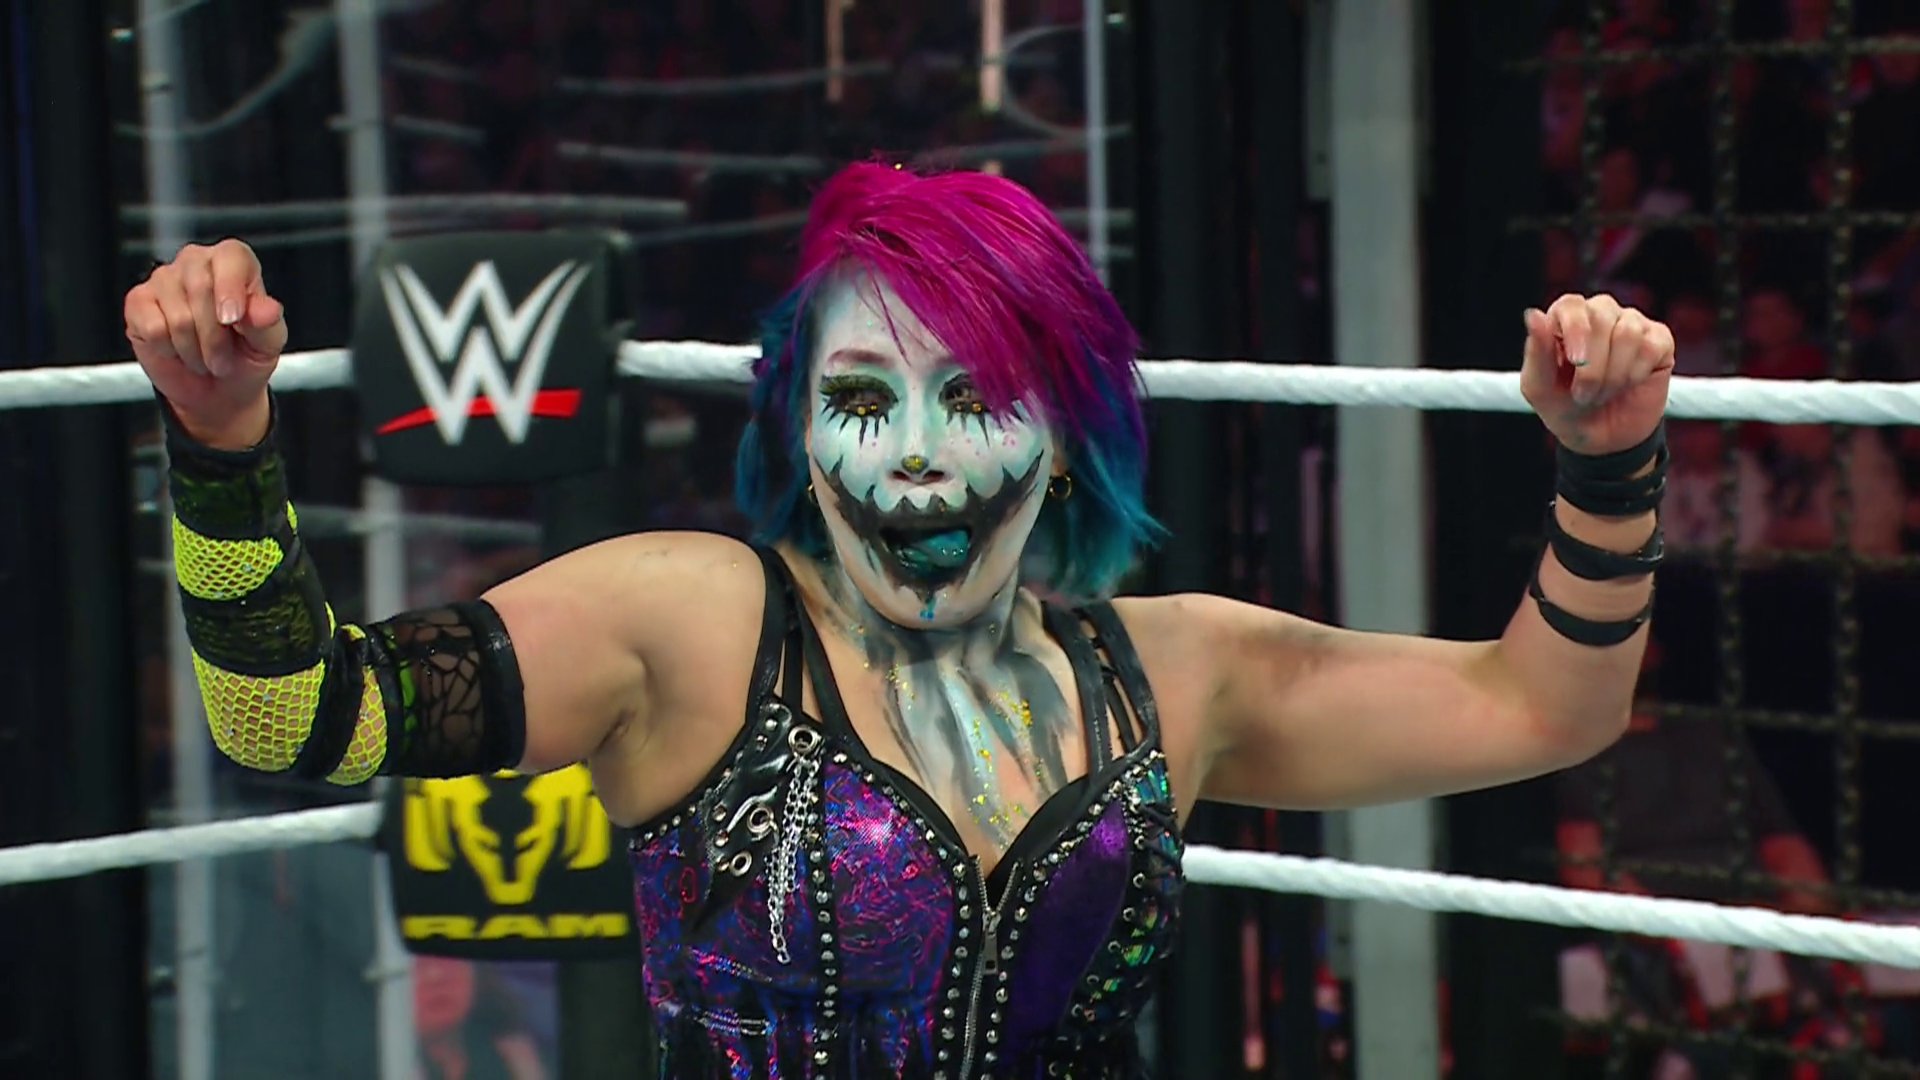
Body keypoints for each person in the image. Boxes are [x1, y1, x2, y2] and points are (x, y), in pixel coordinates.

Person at [125, 163, 1674, 1078]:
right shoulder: (692, 621)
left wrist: (1609, 464)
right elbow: (288, 715)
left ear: (1060, 436)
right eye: (864, 400)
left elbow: (1550, 707)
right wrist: (217, 440)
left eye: (975, 395)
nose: (917, 455)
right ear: (800, 430)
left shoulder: (1174, 668)